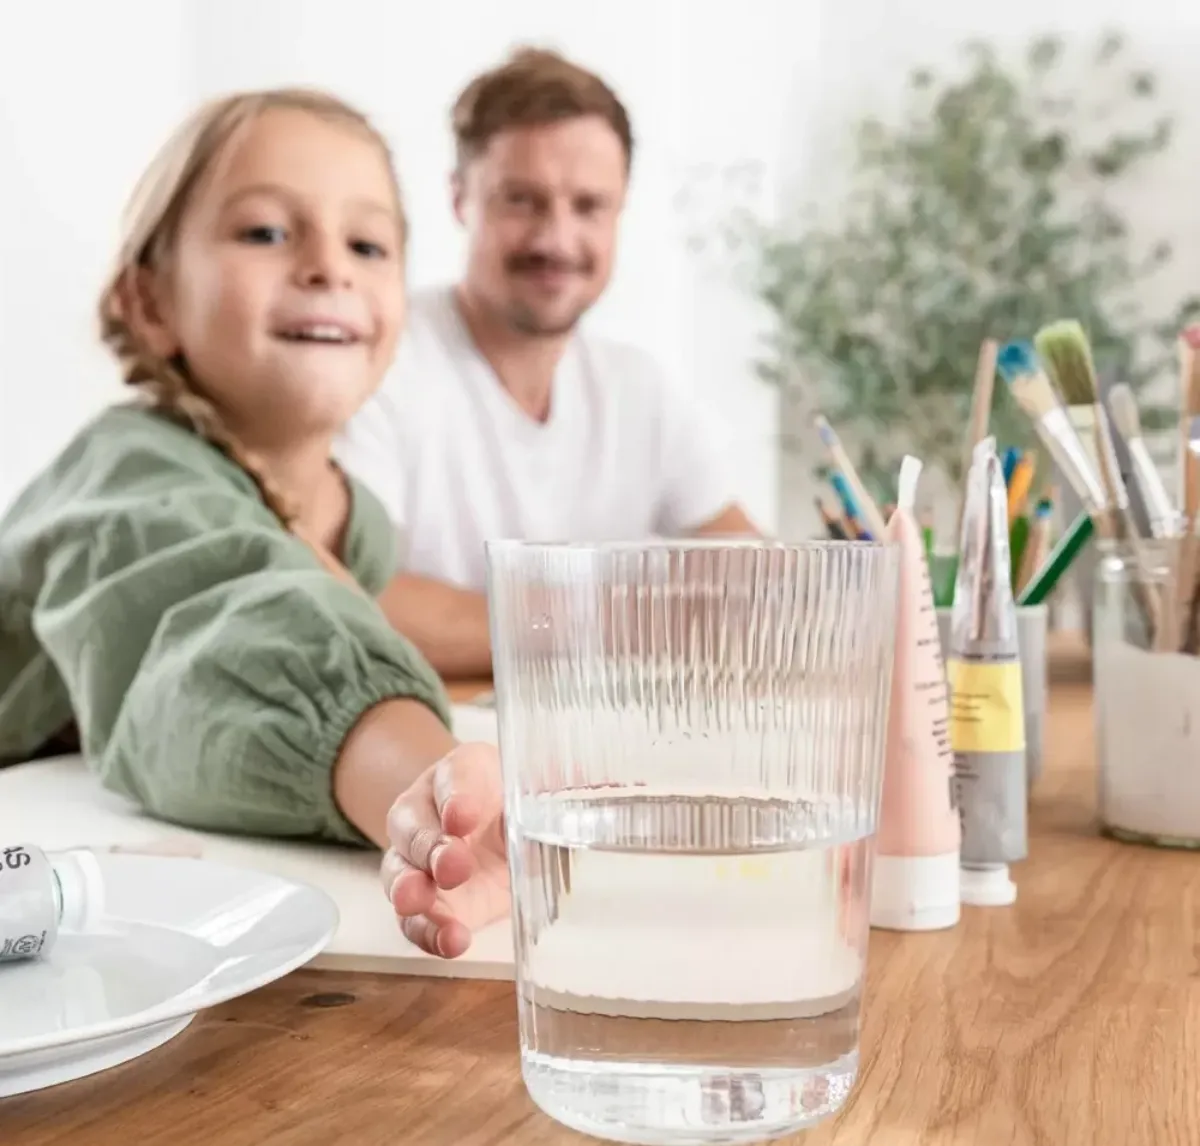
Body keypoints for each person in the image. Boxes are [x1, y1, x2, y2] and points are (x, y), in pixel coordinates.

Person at [0, 89, 506, 960]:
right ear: (150, 303)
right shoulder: (126, 476)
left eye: (368, 244)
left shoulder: (353, 514)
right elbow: (239, 627)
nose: (328, 266)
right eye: (267, 232)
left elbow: (365, 602)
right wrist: (428, 789)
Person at [336, 48, 758, 679]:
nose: (556, 239)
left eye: (588, 206)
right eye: (522, 200)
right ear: (459, 199)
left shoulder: (638, 387)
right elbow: (353, 597)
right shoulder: (376, 362)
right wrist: (615, 623)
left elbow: (753, 577)